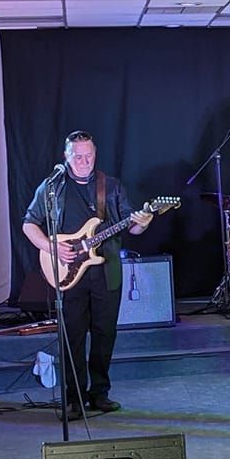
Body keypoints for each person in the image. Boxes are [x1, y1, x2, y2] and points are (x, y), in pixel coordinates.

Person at [22, 131, 155, 417]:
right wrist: (51, 247)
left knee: (105, 334)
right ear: (66, 157)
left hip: (106, 271)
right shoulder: (52, 187)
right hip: (68, 272)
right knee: (72, 336)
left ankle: (100, 393)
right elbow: (29, 224)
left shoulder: (112, 187)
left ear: (96, 154)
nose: (84, 162)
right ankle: (74, 397)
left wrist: (143, 221)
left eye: (89, 156)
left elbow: (132, 227)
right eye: (77, 156)